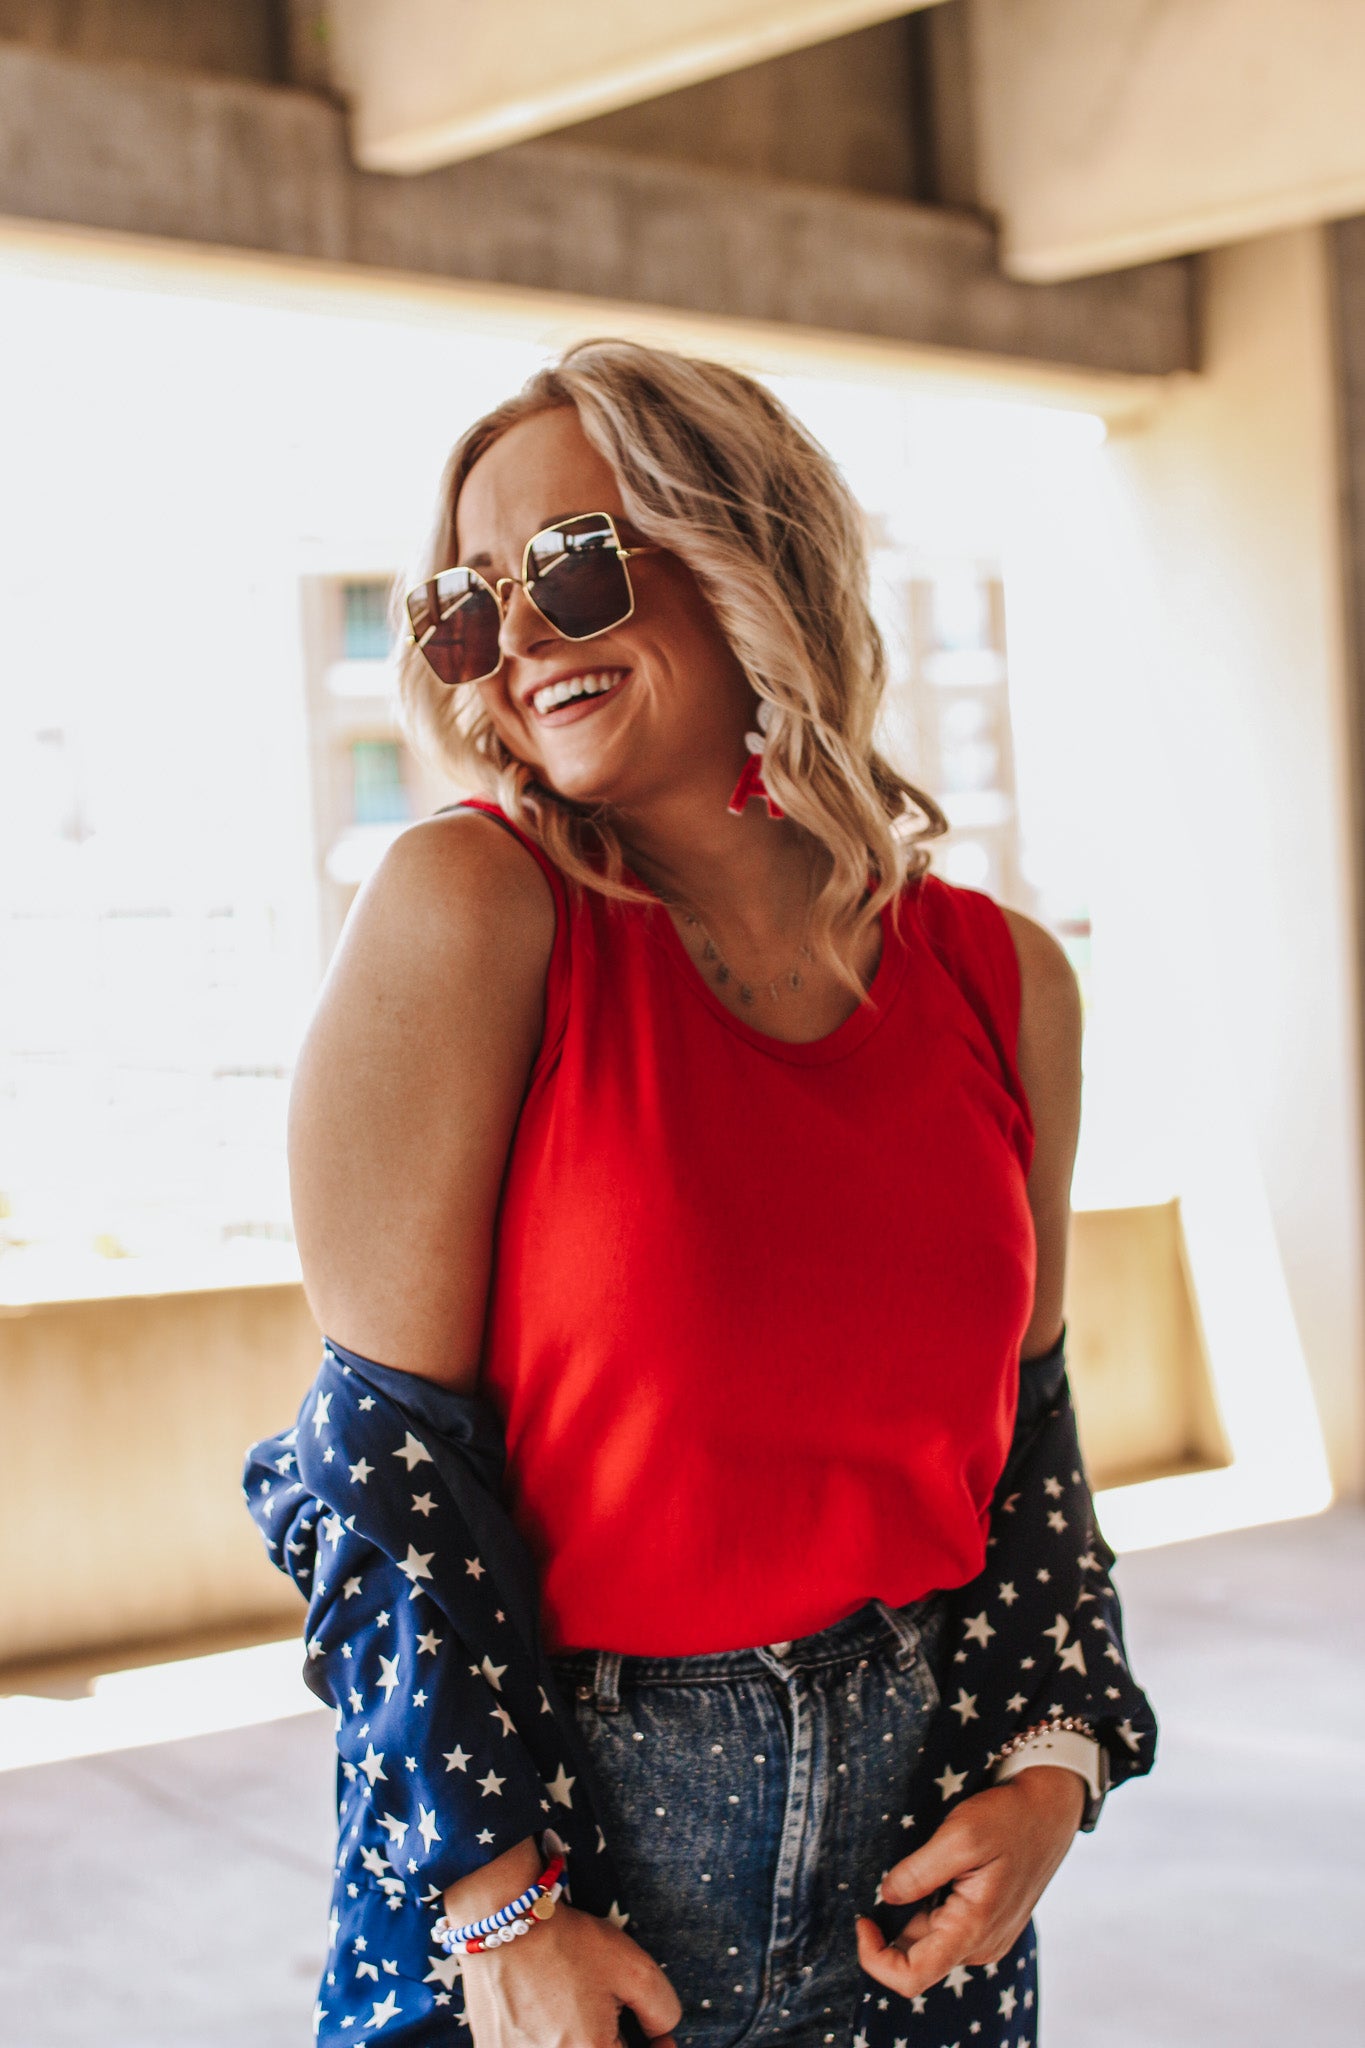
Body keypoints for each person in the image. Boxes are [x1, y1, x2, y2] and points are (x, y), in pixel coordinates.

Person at [248, 338, 1156, 2048]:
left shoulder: (1001, 980)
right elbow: (377, 1463)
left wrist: (1051, 1762)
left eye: (571, 566)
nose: (520, 639)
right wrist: (495, 1899)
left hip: (915, 1894)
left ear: (749, 552)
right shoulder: (470, 908)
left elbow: (1028, 1439)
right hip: (558, 1885)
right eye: (467, 606)